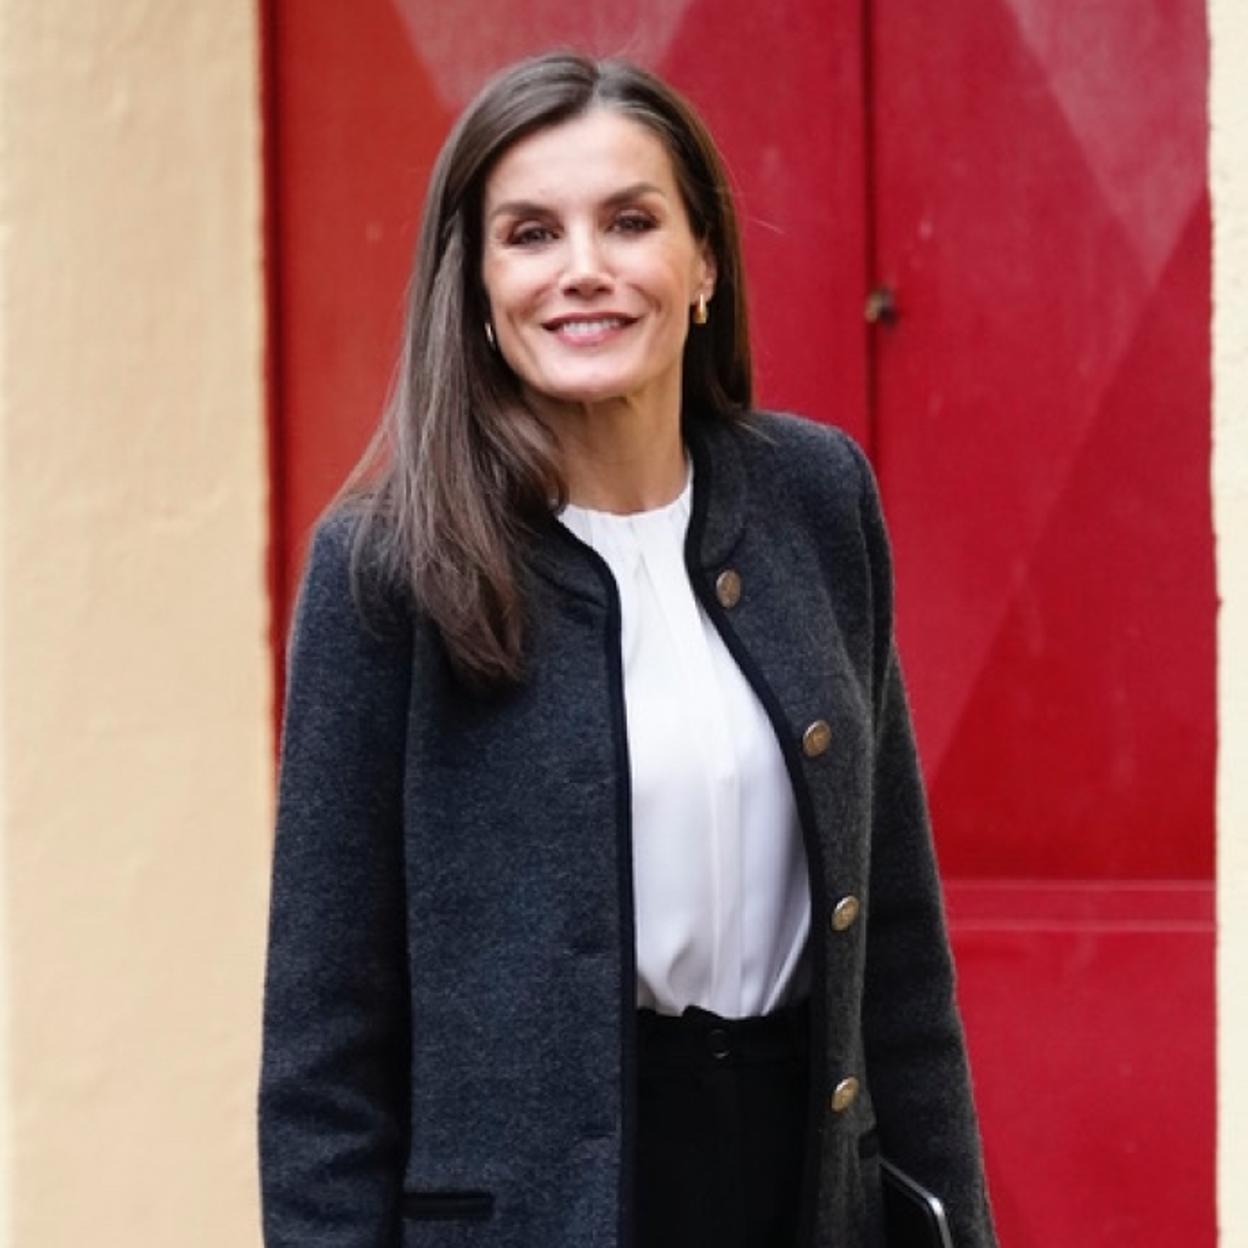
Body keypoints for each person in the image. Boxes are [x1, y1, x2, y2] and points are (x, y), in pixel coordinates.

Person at [259, 51, 998, 1248]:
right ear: (478, 286)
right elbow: (324, 1050)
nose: (584, 271)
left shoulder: (818, 501)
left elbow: (901, 957)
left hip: (806, 1194)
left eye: (631, 221)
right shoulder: (385, 569)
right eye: (531, 234)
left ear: (703, 263)